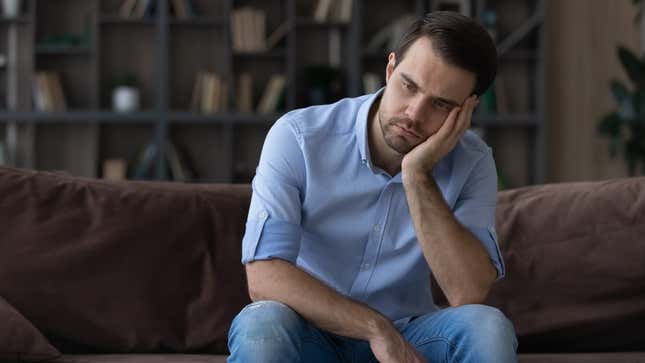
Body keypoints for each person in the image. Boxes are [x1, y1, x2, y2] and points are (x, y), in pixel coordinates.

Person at [227, 11, 517, 363]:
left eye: (440, 104)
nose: (414, 113)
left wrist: (416, 175)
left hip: (411, 337)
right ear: (390, 68)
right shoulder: (298, 138)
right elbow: (264, 275)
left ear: (467, 109)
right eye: (409, 86)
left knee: (488, 326)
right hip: (310, 333)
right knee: (263, 324)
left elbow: (467, 292)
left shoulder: (473, 163)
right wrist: (375, 329)